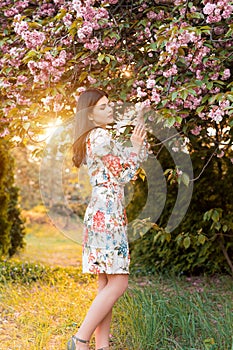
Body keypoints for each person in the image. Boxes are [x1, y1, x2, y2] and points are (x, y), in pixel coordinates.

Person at [67, 88, 147, 350]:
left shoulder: (93, 137)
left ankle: (102, 346)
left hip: (101, 210)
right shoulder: (100, 136)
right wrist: (135, 147)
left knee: (106, 284)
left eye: (109, 104)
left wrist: (141, 120)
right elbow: (124, 174)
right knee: (119, 282)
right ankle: (80, 340)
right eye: (103, 107)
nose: (110, 109)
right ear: (90, 115)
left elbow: (121, 168)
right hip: (108, 213)